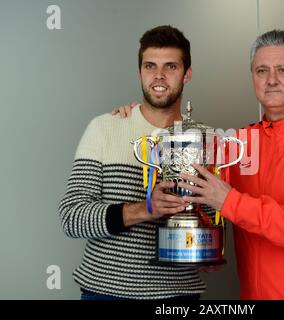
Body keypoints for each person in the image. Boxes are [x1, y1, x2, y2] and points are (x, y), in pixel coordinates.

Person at [116, 29, 284, 299]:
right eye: (261, 70)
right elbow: (197, 185)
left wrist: (232, 203)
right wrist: (141, 115)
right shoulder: (238, 143)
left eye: (283, 70)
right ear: (253, 76)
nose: (271, 80)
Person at [58, 25, 212, 300]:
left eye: (171, 67)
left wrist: (205, 248)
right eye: (150, 66)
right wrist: (145, 209)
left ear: (187, 74)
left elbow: (211, 223)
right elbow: (72, 217)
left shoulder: (204, 140)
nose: (159, 76)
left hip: (177, 295)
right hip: (106, 292)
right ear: (140, 72)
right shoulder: (105, 128)